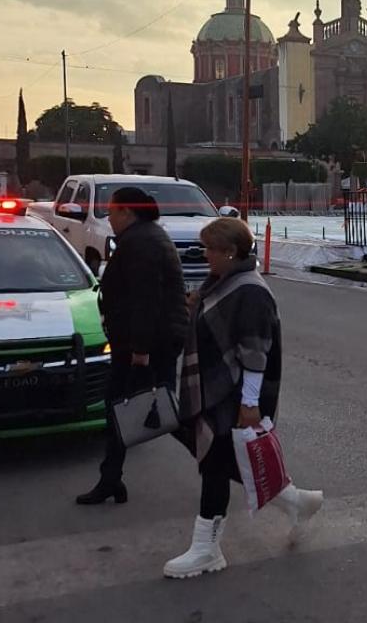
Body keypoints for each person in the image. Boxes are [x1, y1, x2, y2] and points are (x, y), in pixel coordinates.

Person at [163, 218, 324, 579]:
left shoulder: (249, 291)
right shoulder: (222, 282)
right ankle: (298, 502)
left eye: (210, 249)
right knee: (235, 461)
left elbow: (255, 353)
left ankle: (206, 548)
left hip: (233, 394)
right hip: (218, 390)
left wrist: (250, 404)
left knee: (215, 466)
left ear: (230, 251)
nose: (204, 255)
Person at [76, 187, 189, 505]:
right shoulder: (144, 237)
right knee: (125, 409)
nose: (108, 218)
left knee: (162, 413)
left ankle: (232, 468)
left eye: (111, 212)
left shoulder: (142, 242)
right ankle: (111, 478)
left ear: (127, 211)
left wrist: (140, 352)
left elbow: (146, 301)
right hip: (145, 343)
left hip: (147, 346)